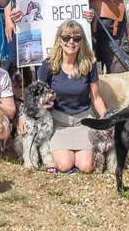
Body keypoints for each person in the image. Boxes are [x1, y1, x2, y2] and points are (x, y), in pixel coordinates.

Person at [37, 21, 109, 173]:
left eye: (77, 38)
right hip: (58, 122)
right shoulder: (48, 65)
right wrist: (25, 116)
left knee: (86, 166)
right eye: (66, 38)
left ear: (82, 41)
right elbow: (36, 95)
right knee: (64, 165)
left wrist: (106, 120)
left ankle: (83, 156)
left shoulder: (89, 64)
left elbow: (96, 98)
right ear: (59, 40)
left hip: (83, 121)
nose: (71, 42)